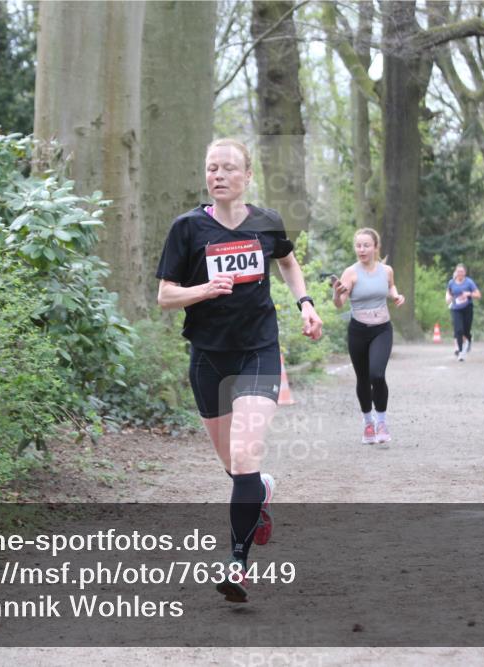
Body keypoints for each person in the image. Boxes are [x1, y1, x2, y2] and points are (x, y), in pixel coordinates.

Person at [156, 138, 323, 603]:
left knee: (245, 456)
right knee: (234, 466)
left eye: (228, 168)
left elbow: (288, 262)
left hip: (258, 352)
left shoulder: (266, 222)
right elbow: (166, 295)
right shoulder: (187, 228)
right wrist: (204, 290)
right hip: (208, 356)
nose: (219, 175)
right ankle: (259, 490)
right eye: (212, 168)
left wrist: (305, 303)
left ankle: (237, 564)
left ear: (247, 176)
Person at [331, 229, 405, 445]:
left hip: (382, 329)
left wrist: (396, 296)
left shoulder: (387, 270)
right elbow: (339, 304)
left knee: (377, 374)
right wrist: (336, 293)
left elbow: (390, 286)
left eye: (366, 245)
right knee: (363, 378)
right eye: (358, 245)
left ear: (375, 247)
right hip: (358, 331)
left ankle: (381, 421)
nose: (361, 249)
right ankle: (368, 423)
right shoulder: (351, 273)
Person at [446, 264, 481, 361]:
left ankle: (468, 339)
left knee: (466, 330)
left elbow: (478, 295)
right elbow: (449, 292)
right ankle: (461, 352)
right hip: (456, 309)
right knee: (458, 330)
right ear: (456, 272)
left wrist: (469, 294)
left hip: (467, 308)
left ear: (465, 273)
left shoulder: (469, 282)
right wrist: (449, 298)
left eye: (462, 272)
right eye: (458, 272)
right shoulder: (451, 282)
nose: (460, 274)